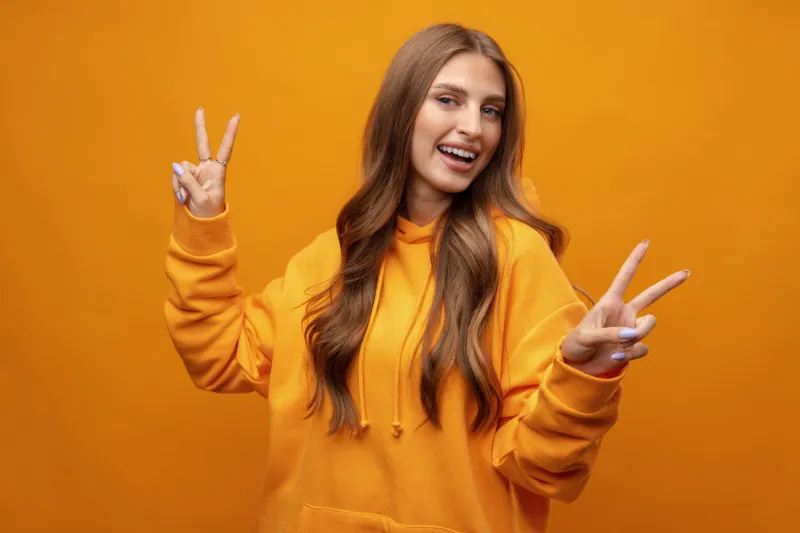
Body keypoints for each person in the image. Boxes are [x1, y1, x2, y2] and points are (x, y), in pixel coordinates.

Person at [165, 23, 688, 533]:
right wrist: (203, 225)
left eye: (491, 111)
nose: (473, 128)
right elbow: (218, 355)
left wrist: (583, 376)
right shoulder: (331, 258)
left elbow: (540, 465)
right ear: (401, 111)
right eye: (448, 100)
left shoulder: (517, 257)